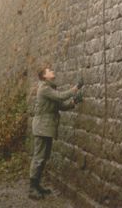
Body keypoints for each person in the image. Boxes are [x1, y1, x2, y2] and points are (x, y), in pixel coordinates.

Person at [29, 66, 83, 200]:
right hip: (42, 127)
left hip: (46, 128)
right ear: (44, 76)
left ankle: (37, 185)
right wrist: (76, 88)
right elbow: (60, 97)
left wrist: (74, 102)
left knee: (44, 157)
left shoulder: (50, 88)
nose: (52, 71)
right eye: (49, 71)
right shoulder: (44, 88)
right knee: (39, 157)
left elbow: (60, 106)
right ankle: (32, 188)